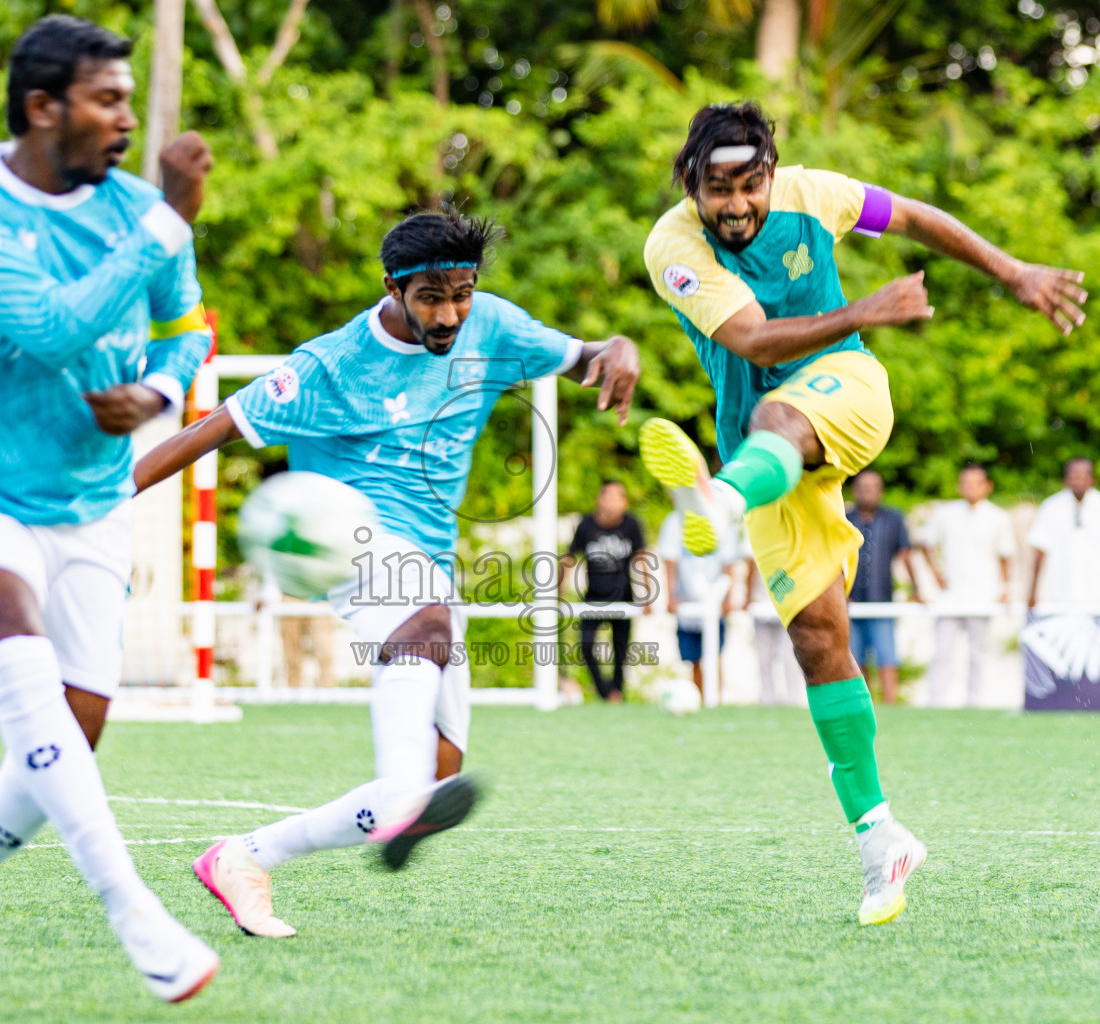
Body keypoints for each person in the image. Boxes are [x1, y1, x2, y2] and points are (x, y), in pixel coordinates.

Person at [635, 101, 1086, 924]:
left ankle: (720, 499)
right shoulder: (673, 246)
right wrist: (864, 309)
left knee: (777, 421)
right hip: (766, 449)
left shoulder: (819, 193)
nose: (735, 205)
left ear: (772, 173)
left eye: (750, 185)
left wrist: (1013, 271)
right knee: (816, 640)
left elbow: (911, 215)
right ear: (690, 183)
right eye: (716, 188)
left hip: (844, 394)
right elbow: (754, 341)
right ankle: (882, 838)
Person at [133, 209, 640, 939]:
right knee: (424, 626)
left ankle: (245, 856)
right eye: (432, 296)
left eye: (462, 292)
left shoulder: (492, 328)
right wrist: (96, 500)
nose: (450, 313)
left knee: (439, 772)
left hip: (429, 565)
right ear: (392, 287)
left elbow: (587, 355)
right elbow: (205, 432)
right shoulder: (330, 366)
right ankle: (395, 802)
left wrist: (617, 347)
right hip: (336, 538)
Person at [0, 17, 219, 1005]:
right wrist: (164, 225)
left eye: (127, 101)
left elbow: (188, 330)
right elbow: (53, 329)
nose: (125, 121)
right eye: (107, 101)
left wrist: (156, 395)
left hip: (92, 501)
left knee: (64, 737)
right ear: (41, 108)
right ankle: (133, 908)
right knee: (8, 640)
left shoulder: (142, 209)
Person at [918, 464, 1015, 707]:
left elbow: (1006, 555)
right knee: (942, 652)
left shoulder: (998, 517)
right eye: (966, 483)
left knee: (978, 654)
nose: (971, 488)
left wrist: (1004, 588)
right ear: (959, 486)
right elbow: (926, 541)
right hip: (950, 596)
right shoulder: (946, 513)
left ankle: (976, 704)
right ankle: (936, 704)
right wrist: (936, 573)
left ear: (987, 487)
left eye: (976, 483)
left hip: (983, 595)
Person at [562, 480, 646, 702]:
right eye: (606, 497)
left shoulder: (631, 525)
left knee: (621, 651)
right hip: (594, 596)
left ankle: (617, 693)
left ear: (624, 502)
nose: (610, 503)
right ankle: (605, 692)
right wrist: (558, 592)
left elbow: (641, 559)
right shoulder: (586, 525)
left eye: (616, 498)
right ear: (599, 499)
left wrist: (647, 596)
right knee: (586, 645)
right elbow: (569, 558)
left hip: (624, 596)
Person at [845, 470, 918, 704]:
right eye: (862, 487)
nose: (867, 492)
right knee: (856, 660)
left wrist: (916, 589)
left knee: (887, 657)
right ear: (855, 491)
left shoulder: (894, 519)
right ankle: (864, 706)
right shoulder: (844, 519)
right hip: (850, 601)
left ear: (881, 491)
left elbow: (906, 556)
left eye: (872, 487)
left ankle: (890, 704)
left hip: (882, 599)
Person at [1027, 458, 1100, 610]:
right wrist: (1033, 592)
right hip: (1060, 597)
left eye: (1083, 475)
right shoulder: (1051, 507)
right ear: (1066, 479)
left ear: (1092, 479)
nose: (1079, 480)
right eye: (1074, 475)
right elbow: (1040, 549)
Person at [657, 509, 740, 702]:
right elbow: (670, 560)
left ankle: (716, 701)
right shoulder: (675, 520)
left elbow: (729, 562)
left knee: (715, 655)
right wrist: (670, 596)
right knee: (693, 660)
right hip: (687, 603)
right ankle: (699, 701)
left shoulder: (722, 518)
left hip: (714, 600)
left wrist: (727, 597)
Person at [746, 559, 805, 705]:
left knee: (789, 656)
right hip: (761, 604)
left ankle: (794, 698)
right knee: (763, 657)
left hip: (787, 605)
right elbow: (750, 567)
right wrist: (749, 597)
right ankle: (767, 698)